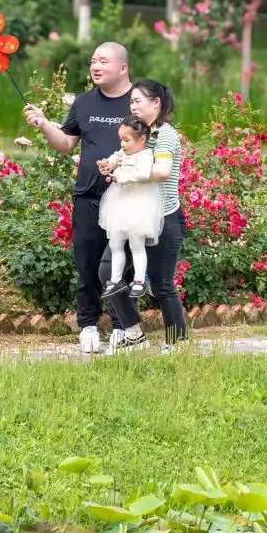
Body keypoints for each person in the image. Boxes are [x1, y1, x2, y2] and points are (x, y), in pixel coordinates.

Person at [23, 41, 133, 355]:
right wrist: (45, 124)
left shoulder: (138, 102)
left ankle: (122, 327)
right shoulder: (84, 103)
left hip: (126, 198)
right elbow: (66, 144)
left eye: (103, 61)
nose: (95, 66)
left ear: (123, 67)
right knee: (86, 264)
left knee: (119, 264)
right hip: (88, 196)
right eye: (93, 61)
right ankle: (87, 326)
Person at [99, 78, 187, 350]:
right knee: (107, 273)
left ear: (156, 103)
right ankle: (134, 333)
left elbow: (162, 172)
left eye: (137, 101)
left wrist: (126, 175)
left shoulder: (166, 135)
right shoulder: (139, 133)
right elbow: (121, 156)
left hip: (164, 218)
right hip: (131, 216)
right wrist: (112, 168)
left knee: (162, 285)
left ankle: (177, 343)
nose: (132, 106)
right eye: (131, 102)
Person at [98, 118, 164, 299]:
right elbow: (113, 159)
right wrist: (106, 166)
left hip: (138, 205)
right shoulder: (123, 153)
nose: (122, 144)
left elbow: (143, 174)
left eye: (126, 140)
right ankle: (115, 279)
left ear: (142, 139)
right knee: (115, 243)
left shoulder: (145, 155)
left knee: (136, 244)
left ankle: (139, 280)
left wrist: (121, 176)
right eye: (121, 139)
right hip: (119, 203)